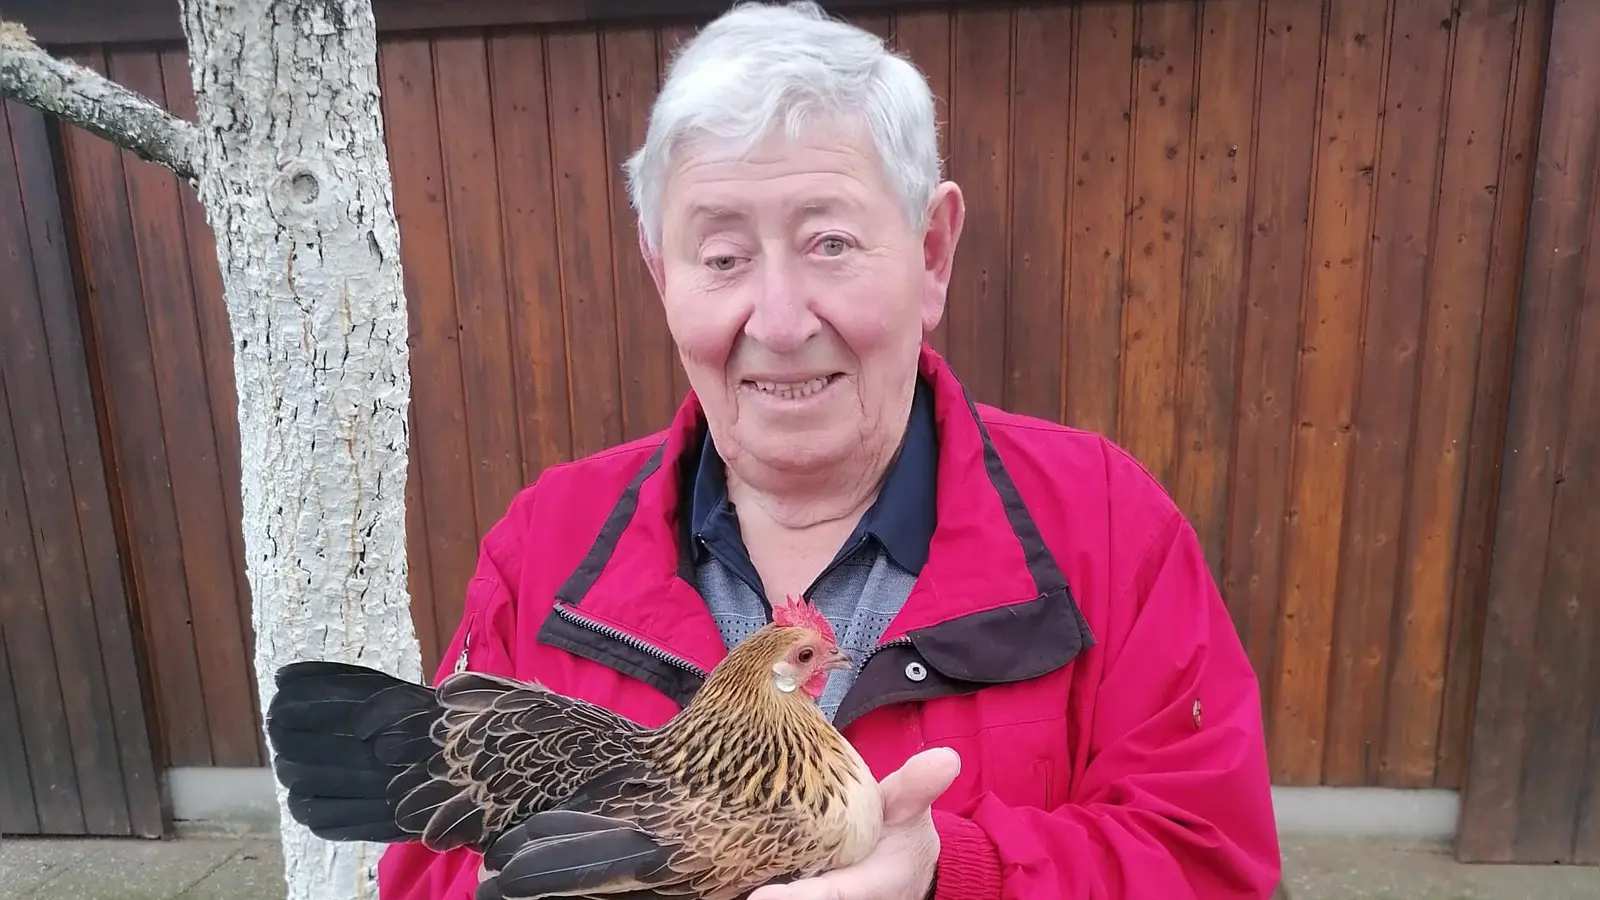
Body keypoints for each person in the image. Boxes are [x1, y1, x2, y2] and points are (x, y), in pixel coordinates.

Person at [376, 2, 1282, 897]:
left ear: (932, 252)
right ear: (661, 274)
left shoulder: (1105, 526)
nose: (779, 323)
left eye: (831, 244)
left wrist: (958, 877)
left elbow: (1211, 862)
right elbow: (425, 863)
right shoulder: (546, 547)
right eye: (722, 257)